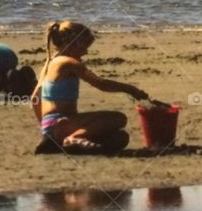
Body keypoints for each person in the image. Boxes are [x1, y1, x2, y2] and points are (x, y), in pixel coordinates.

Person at [33, 21, 148, 154]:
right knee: (118, 118)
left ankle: (58, 141)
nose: (86, 52)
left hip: (50, 126)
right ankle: (74, 138)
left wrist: (46, 130)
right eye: (83, 47)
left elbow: (34, 97)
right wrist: (131, 90)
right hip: (61, 122)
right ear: (72, 43)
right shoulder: (68, 62)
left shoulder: (50, 63)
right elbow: (101, 83)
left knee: (121, 137)